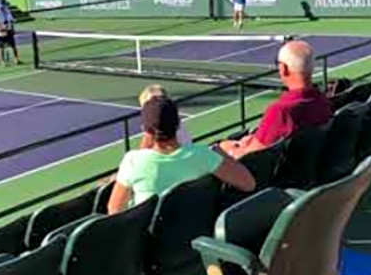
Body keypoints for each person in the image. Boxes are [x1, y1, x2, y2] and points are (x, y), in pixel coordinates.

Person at [108, 97, 256, 214]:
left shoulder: (133, 161)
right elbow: (248, 184)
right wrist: (219, 152)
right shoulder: (203, 155)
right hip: (194, 234)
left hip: (152, 247)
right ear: (178, 124)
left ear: (145, 130)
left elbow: (114, 210)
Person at [217, 40, 332, 159]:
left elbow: (250, 157)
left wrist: (223, 147)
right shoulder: (322, 99)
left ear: (283, 69)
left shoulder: (280, 111)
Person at [0, 0, 22, 65]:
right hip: (1, 31)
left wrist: (12, 29)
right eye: (2, 5)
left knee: (13, 45)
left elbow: (11, 20)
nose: (3, 6)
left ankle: (16, 59)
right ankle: (2, 61)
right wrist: (0, 29)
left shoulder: (7, 11)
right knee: (1, 47)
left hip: (9, 30)